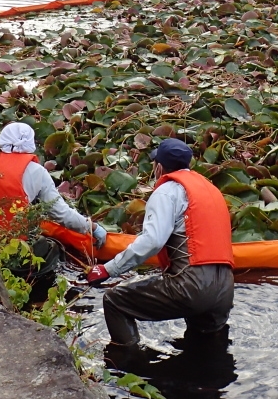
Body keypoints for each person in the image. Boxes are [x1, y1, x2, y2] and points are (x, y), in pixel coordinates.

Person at [87, 138, 234, 347]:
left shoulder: (166, 192)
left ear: (159, 167)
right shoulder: (211, 190)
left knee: (114, 300)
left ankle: (128, 360)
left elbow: (153, 241)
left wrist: (108, 269)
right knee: (206, 346)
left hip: (193, 287)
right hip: (225, 288)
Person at [0, 121, 108, 304]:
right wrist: (92, 227)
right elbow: (62, 215)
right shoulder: (36, 171)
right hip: (13, 252)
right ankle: (36, 299)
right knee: (52, 249)